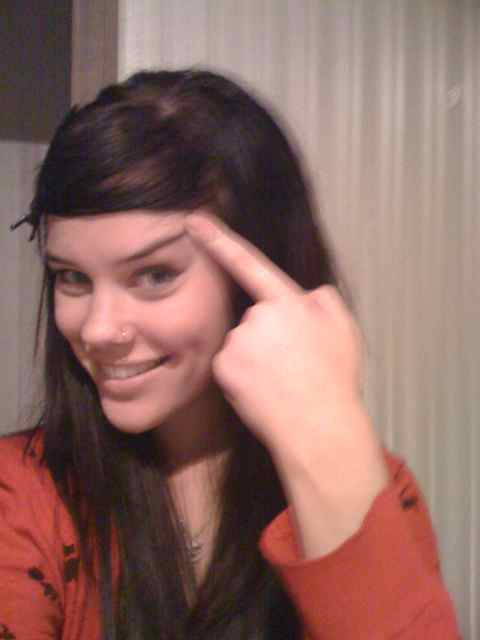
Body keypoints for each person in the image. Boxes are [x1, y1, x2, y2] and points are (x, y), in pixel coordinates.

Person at [0, 69, 459, 640]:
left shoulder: (370, 488)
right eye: (72, 277)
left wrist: (325, 429)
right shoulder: (20, 493)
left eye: (154, 275)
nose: (96, 329)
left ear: (256, 275)